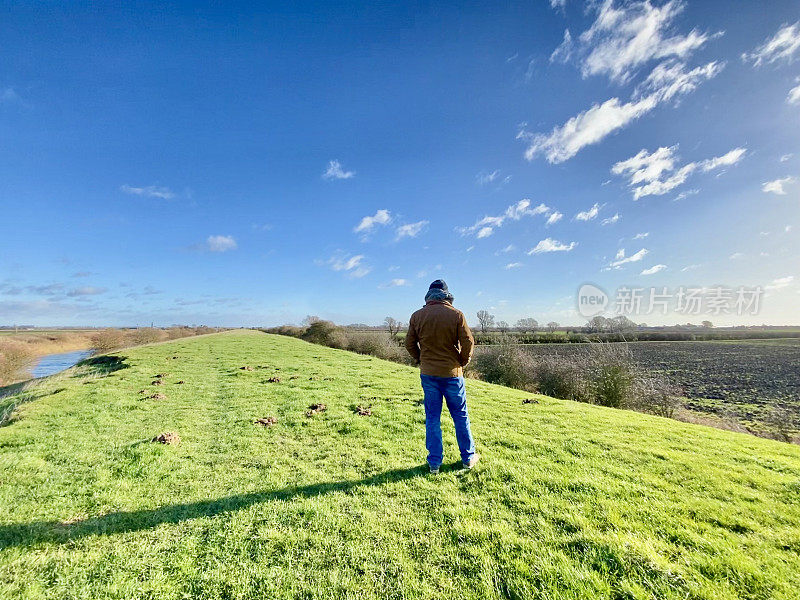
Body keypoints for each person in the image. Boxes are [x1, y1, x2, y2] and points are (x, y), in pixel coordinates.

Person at [405, 280, 479, 474]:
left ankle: (434, 463)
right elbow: (468, 342)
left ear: (429, 295)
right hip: (452, 374)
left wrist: (421, 358)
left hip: (428, 374)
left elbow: (409, 344)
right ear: (447, 295)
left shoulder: (417, 316)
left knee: (432, 417)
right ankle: (468, 458)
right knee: (460, 416)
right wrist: (463, 361)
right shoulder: (456, 315)